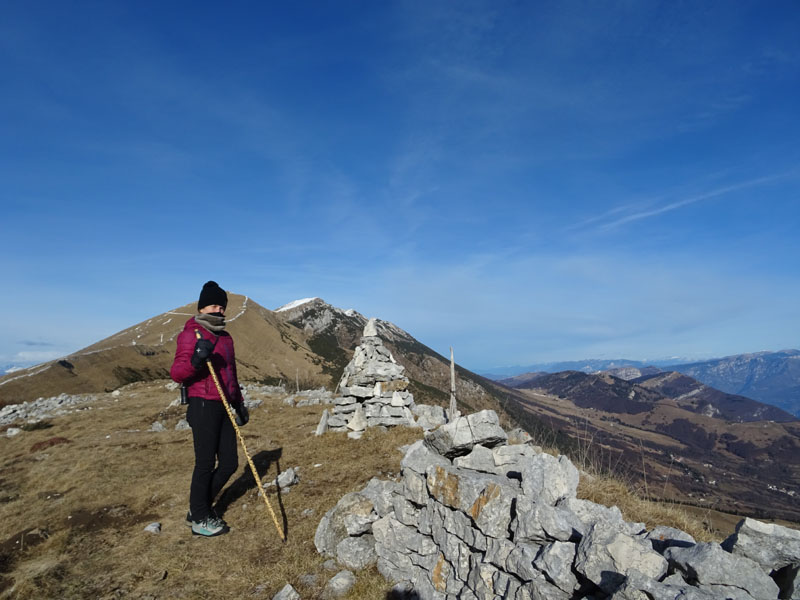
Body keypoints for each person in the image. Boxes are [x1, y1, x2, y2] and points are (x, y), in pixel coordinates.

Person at [170, 281, 247, 537]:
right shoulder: (192, 334)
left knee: (230, 463)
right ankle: (200, 518)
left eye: (222, 307)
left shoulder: (225, 338)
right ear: (202, 307)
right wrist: (196, 360)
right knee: (204, 463)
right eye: (213, 306)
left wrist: (239, 403)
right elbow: (178, 373)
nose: (218, 311)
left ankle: (198, 506)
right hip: (202, 405)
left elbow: (230, 375)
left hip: (225, 406)